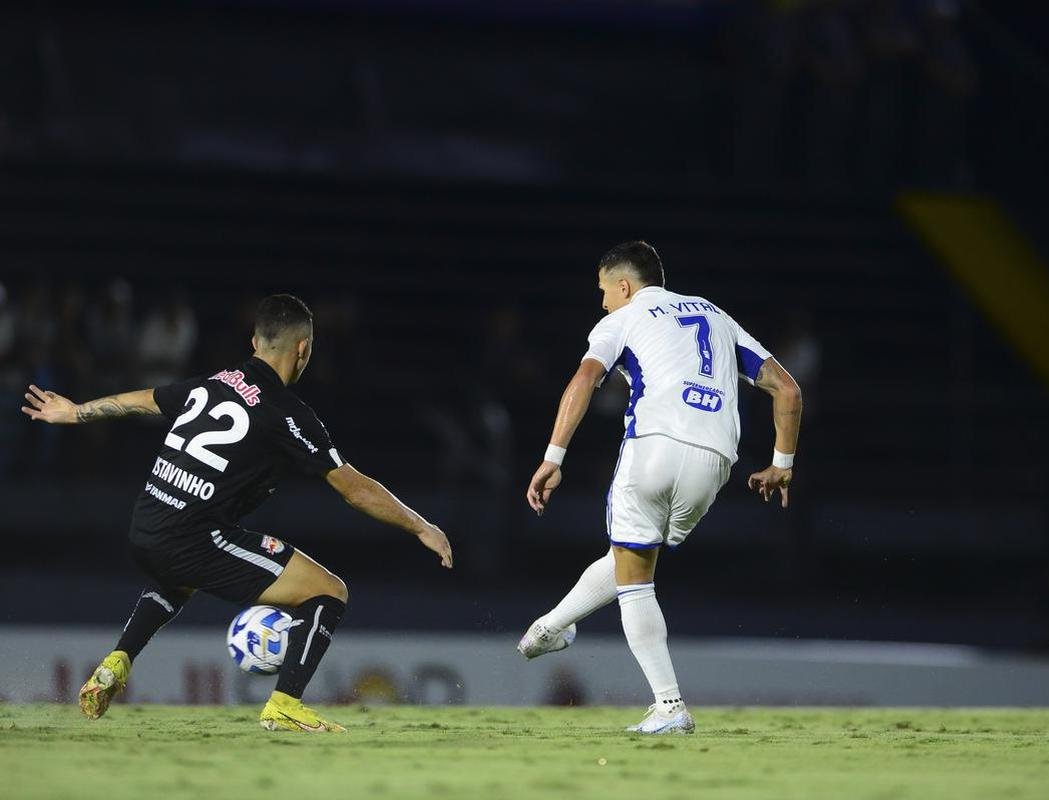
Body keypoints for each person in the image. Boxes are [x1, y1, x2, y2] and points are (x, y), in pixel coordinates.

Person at [20, 294, 453, 733]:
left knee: (181, 576)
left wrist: (78, 411)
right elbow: (354, 490)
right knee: (328, 592)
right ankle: (284, 704)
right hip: (191, 537)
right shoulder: (288, 414)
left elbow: (148, 398)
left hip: (146, 525)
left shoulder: (216, 382)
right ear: (303, 348)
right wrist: (422, 526)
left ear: (254, 341)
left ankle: (117, 661)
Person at [519, 241, 802, 734]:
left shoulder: (621, 320)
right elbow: (788, 389)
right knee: (633, 557)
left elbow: (584, 380)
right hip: (715, 462)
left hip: (654, 445)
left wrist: (553, 457)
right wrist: (782, 462)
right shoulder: (717, 316)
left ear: (624, 286)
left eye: (604, 291)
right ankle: (550, 627)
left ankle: (669, 705)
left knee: (635, 576)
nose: (603, 301)